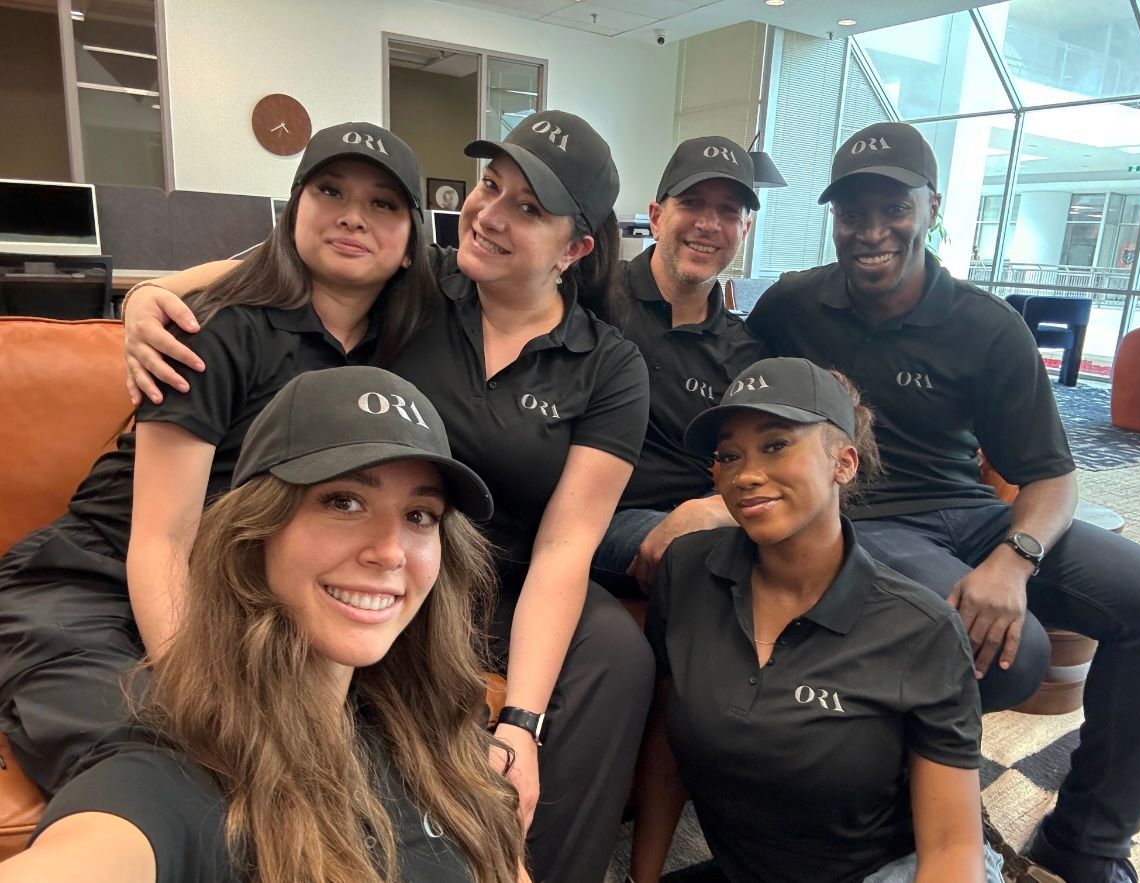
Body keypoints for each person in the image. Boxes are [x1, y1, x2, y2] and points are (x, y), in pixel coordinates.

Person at [118, 109, 653, 883]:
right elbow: (289, 256)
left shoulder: (609, 367)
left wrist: (523, 722)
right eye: (488, 186)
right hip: (398, 555)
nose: (490, 215)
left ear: (575, 249)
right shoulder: (427, 286)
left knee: (617, 655)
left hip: (515, 575)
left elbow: (568, 546)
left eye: (527, 209)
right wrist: (149, 295)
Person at [747, 121, 1140, 883]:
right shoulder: (791, 306)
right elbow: (733, 387)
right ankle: (911, 824)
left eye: (892, 207)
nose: (870, 231)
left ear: (932, 206)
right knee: (1018, 655)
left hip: (972, 512)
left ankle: (1083, 845)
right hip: (866, 517)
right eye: (852, 213)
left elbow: (1050, 474)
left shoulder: (986, 325)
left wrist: (1014, 556)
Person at [0, 121, 434, 798]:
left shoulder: (396, 352)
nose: (352, 215)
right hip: (96, 580)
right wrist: (204, 700)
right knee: (169, 763)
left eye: (384, 203)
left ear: (411, 243)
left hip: (232, 598)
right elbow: (159, 542)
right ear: (295, 212)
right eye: (330, 191)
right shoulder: (221, 329)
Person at [0, 365, 527, 883]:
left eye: (420, 515)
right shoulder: (176, 779)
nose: (390, 552)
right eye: (343, 502)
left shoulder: (445, 743)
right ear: (254, 536)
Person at [630, 357, 1001, 883]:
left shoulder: (921, 630)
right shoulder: (687, 571)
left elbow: (950, 849)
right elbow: (667, 750)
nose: (746, 474)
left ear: (844, 462)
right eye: (728, 455)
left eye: (776, 444)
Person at [591, 136, 767, 594]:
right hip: (593, 520)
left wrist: (711, 510)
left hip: (700, 521)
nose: (708, 224)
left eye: (729, 211)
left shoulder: (746, 354)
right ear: (656, 216)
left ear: (743, 231)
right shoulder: (591, 300)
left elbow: (754, 462)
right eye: (691, 203)